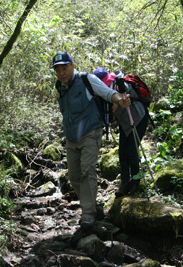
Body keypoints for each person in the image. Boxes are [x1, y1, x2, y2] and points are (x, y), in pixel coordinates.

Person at [52, 53, 131, 229]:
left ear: (73, 65)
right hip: (71, 137)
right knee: (73, 177)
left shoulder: (87, 79)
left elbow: (109, 93)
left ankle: (88, 214)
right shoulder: (60, 86)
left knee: (87, 169)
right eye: (58, 69)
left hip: (90, 132)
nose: (62, 72)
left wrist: (120, 100)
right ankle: (94, 205)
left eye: (65, 68)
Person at [93, 67, 150, 197]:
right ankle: (125, 183)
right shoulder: (103, 91)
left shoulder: (120, 85)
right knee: (122, 152)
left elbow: (123, 96)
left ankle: (135, 182)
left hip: (138, 118)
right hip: (126, 124)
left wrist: (120, 100)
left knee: (132, 150)